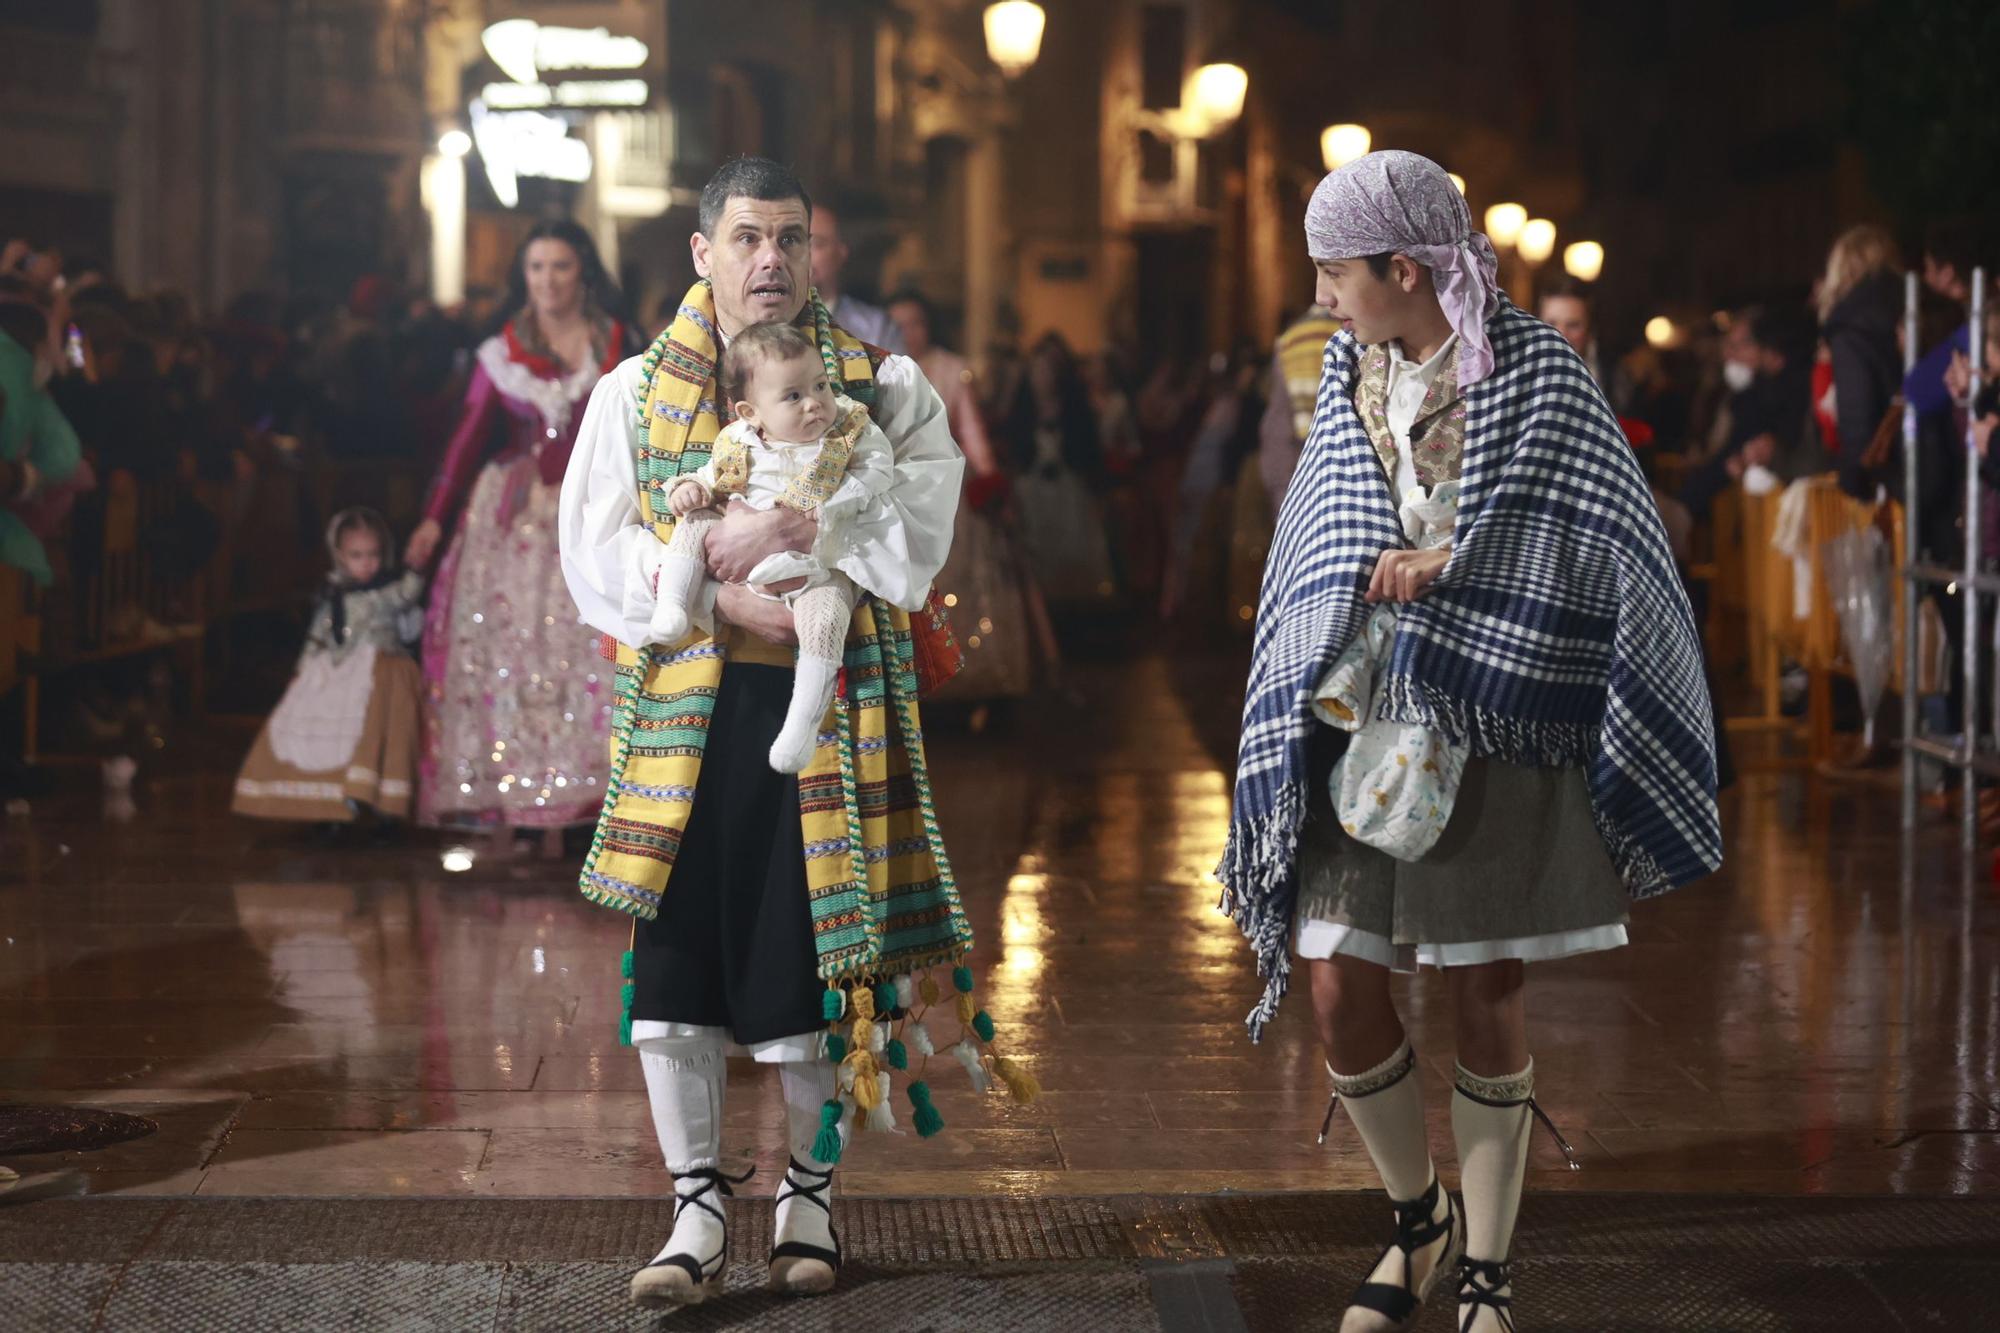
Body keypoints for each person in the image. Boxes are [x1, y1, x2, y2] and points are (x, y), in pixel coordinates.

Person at [1218, 152, 1720, 1333]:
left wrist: (1461, 567)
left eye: (1334, 273)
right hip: (1367, 710)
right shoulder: (1349, 369)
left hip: (1500, 695)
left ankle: (1484, 1268)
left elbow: (1603, 536)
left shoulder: (1535, 368)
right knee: (1339, 983)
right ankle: (1417, 1220)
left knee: (1485, 986)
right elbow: (1320, 524)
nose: (1322, 298)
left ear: (1404, 268)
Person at [558, 157, 1014, 1309]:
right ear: (702, 252)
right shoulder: (631, 393)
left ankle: (807, 1200)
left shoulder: (877, 385)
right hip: (688, 720)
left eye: (792, 239)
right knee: (679, 968)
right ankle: (695, 1215)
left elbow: (921, 526)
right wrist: (718, 593)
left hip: (823, 713)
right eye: (748, 237)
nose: (772, 259)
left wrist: (794, 524)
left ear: (816, 255)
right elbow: (593, 549)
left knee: (814, 959)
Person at [405, 220, 637, 858]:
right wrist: (433, 515)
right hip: (515, 525)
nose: (549, 280)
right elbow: (466, 439)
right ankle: (529, 809)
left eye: (560, 266)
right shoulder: (501, 352)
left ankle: (593, 806)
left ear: (583, 272)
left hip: (593, 516)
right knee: (518, 654)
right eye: (536, 268)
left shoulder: (617, 346)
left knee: (592, 660)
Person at [651, 322, 899, 771]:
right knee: (696, 520)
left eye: (821, 385)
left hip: (814, 565)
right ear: (750, 412)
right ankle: (674, 602)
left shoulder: (847, 431)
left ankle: (801, 725)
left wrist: (831, 506)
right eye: (793, 396)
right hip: (738, 563)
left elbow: (879, 471)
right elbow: (710, 479)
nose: (815, 403)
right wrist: (687, 488)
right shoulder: (737, 442)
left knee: (828, 615)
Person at [886, 291, 1054, 701]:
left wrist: (990, 480)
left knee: (955, 580)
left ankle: (962, 675)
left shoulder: (952, 369)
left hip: (947, 494)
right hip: (894, 495)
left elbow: (972, 432)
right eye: (900, 324)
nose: (909, 333)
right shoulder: (882, 369)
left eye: (917, 323)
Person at [233, 508, 425, 825]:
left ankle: (380, 808)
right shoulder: (332, 594)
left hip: (378, 670)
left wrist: (416, 569)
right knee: (319, 730)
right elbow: (318, 634)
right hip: (335, 671)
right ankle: (329, 808)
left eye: (373, 554)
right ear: (339, 555)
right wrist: (303, 669)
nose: (367, 563)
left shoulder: (386, 592)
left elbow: (406, 594)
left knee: (374, 736)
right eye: (357, 555)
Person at [1816, 225, 1904, 500]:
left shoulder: (1851, 325)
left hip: (1887, 474)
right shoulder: (1916, 302)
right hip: (1931, 465)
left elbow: (1857, 413)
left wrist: (1854, 483)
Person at [1259, 305, 1341, 516]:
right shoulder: (1363, 332)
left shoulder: (1290, 341)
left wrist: (1284, 504)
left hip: (1304, 473)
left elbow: (1278, 428)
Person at [806, 201, 905, 354]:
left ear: (841, 253)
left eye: (817, 244)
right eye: (794, 241)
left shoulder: (876, 328)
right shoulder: (766, 319)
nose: (804, 254)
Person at [1536, 275, 1602, 385]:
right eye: (1551, 324)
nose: (1561, 335)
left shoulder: (1612, 380)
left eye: (1573, 325)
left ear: (1590, 330)